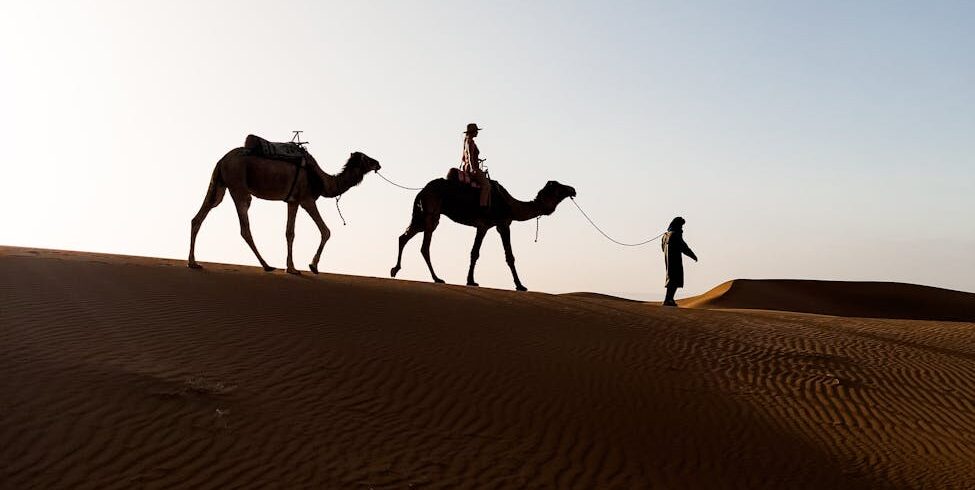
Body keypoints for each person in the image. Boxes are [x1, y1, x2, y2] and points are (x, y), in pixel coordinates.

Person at [661, 216, 697, 307]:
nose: (682, 228)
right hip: (675, 260)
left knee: (672, 279)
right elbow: (684, 247)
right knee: (674, 280)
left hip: (669, 260)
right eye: (681, 225)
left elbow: (662, 248)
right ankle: (668, 300)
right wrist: (693, 256)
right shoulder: (675, 234)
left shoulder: (665, 235)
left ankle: (669, 299)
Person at [461, 123, 491, 208]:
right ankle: (483, 207)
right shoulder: (471, 142)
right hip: (472, 168)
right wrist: (472, 168)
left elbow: (464, 158)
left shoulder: (466, 141)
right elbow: (470, 156)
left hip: (466, 167)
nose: (477, 133)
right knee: (487, 185)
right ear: (473, 132)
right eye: (476, 131)